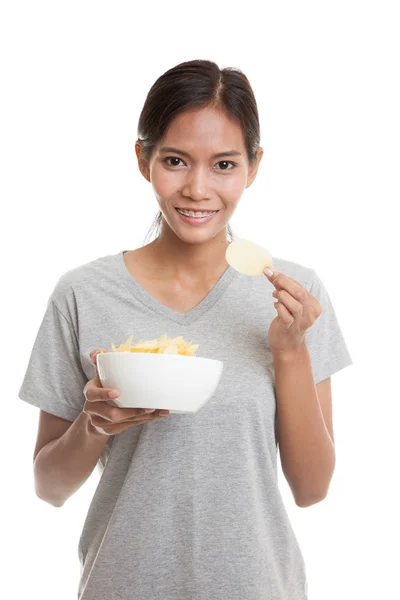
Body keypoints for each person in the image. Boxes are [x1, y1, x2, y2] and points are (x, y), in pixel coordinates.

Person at [18, 59, 353, 600]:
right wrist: (93, 424)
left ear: (254, 165)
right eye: (175, 161)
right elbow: (48, 488)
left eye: (224, 164)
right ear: (143, 159)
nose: (198, 188)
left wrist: (290, 352)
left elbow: (312, 489)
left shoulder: (297, 297)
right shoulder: (82, 294)